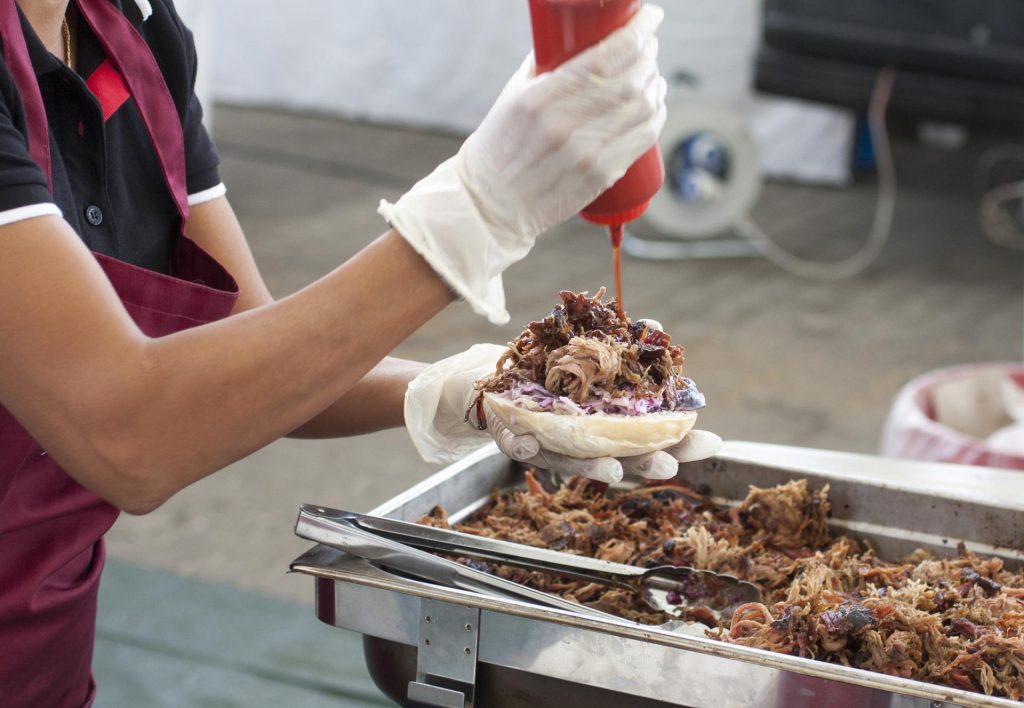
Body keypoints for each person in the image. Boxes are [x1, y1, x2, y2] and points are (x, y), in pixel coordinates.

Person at [0, 0, 718, 705]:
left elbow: (248, 356)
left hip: (49, 638)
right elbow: (127, 435)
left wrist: (471, 391)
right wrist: (472, 216)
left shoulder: (136, 29)